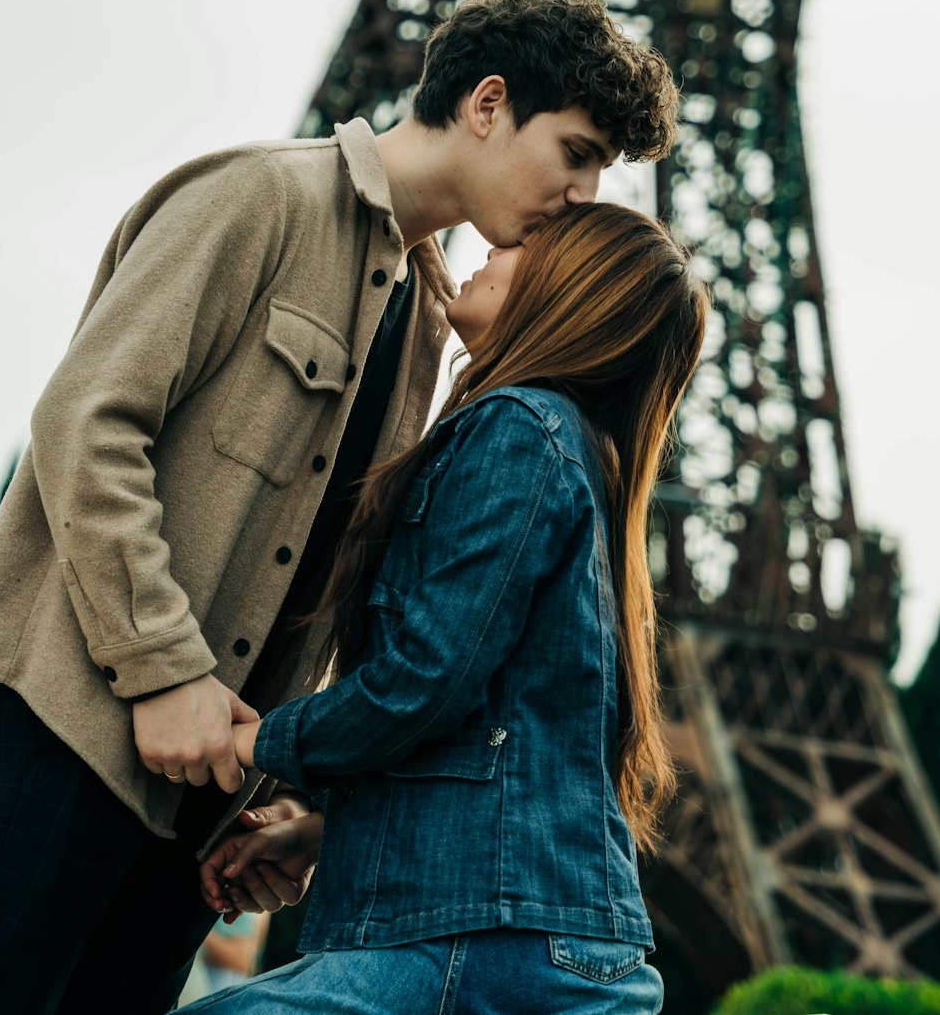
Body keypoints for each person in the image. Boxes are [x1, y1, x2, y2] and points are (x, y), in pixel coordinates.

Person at [0, 0, 679, 1015]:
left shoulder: (431, 315)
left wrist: (284, 789)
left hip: (203, 791)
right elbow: (86, 423)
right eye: (575, 151)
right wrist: (162, 674)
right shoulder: (257, 200)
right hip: (69, 727)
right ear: (487, 103)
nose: (583, 194)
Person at [183, 201, 709, 1015]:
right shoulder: (571, 447)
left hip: (475, 943)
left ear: (563, 293)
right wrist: (326, 832)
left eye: (531, 245)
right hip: (533, 941)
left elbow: (424, 678)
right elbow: (513, 737)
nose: (501, 241)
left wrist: (253, 739)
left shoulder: (517, 427)